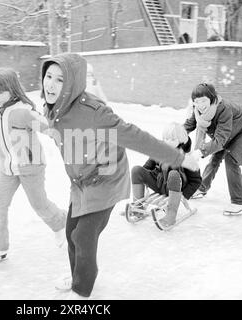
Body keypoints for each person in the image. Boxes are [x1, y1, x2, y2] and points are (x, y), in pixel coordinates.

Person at [40, 53, 199, 299]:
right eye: (48, 76)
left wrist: (178, 158)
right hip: (81, 182)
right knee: (72, 230)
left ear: (71, 83)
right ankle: (76, 275)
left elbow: (136, 136)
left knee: (83, 235)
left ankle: (81, 291)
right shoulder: (55, 109)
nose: (50, 84)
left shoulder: (94, 113)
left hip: (106, 179)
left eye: (59, 79)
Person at [0, 67, 67, 267]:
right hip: (7, 167)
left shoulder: (23, 111)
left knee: (40, 205)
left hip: (31, 165)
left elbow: (51, 129)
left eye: (0, 92)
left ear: (12, 89)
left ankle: (62, 223)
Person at [185, 83, 242, 215]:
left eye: (204, 100)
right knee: (215, 157)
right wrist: (175, 135)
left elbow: (220, 140)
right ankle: (202, 187)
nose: (200, 105)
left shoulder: (223, 109)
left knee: (231, 160)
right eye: (196, 101)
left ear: (212, 98)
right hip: (230, 131)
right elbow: (189, 125)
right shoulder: (197, 110)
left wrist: (199, 152)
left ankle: (240, 202)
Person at [130, 122, 202, 227]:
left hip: (176, 189)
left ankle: (171, 216)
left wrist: (184, 194)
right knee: (136, 170)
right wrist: (143, 176)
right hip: (159, 184)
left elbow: (196, 180)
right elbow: (146, 168)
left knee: (173, 174)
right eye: (166, 139)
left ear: (181, 140)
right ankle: (138, 208)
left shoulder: (186, 158)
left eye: (172, 139)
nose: (168, 142)